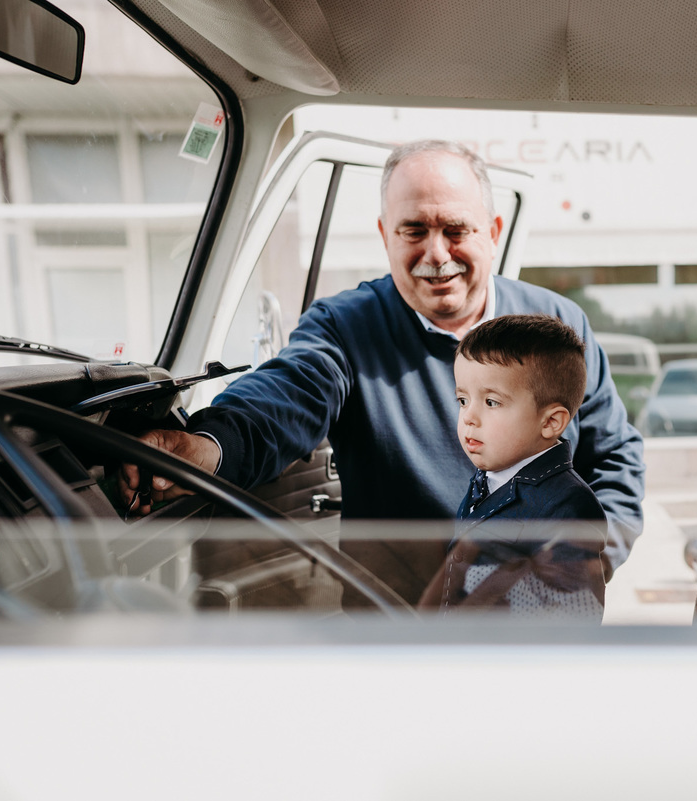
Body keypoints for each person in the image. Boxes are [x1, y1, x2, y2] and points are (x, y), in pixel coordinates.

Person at [120, 140, 644, 600]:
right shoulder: (344, 327)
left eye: (456, 229)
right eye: (413, 230)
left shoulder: (559, 325)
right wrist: (205, 449)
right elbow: (285, 396)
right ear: (384, 234)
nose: (436, 254)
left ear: (494, 232)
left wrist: (592, 562)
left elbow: (615, 455)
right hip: (395, 632)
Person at [418, 314, 609, 617]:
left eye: (491, 402)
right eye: (463, 400)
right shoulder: (488, 479)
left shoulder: (567, 507)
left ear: (550, 422)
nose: (468, 417)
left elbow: (575, 622)